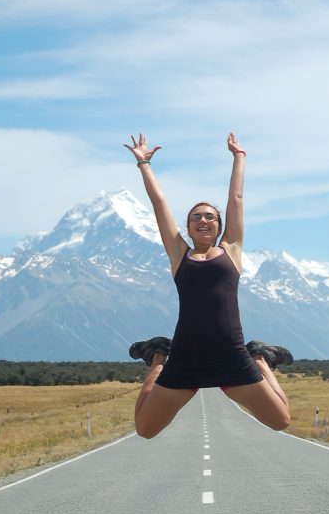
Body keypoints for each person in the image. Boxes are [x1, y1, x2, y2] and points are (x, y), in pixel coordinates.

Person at [123, 131, 293, 439]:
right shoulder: (179, 254)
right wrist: (144, 163)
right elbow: (159, 204)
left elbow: (236, 199)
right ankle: (158, 358)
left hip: (231, 354)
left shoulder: (231, 249)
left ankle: (261, 358)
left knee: (281, 420)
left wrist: (238, 157)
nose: (204, 220)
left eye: (211, 217)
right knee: (145, 429)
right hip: (185, 356)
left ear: (219, 225)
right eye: (196, 217)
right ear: (187, 227)